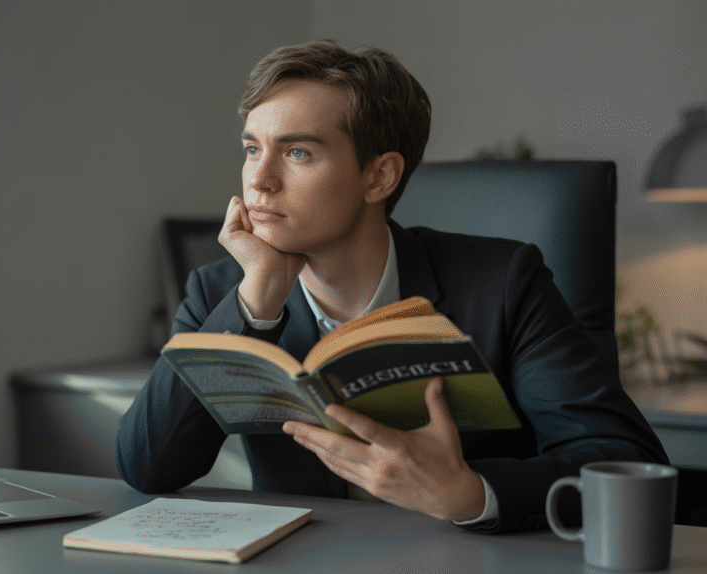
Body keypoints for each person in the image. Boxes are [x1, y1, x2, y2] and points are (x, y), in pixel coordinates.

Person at [114, 40, 667, 533]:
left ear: (379, 176)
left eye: (297, 152)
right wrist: (254, 304)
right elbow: (148, 467)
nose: (259, 180)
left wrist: (470, 495)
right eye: (253, 148)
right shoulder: (221, 294)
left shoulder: (504, 283)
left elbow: (620, 459)